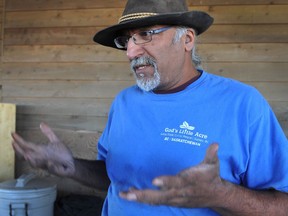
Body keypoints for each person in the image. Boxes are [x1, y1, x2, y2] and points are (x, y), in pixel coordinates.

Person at [11, 0, 288, 215]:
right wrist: (71, 168)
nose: (131, 52)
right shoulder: (124, 101)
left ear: (187, 40)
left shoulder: (243, 104)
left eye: (145, 34)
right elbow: (117, 177)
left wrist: (221, 195)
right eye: (127, 40)